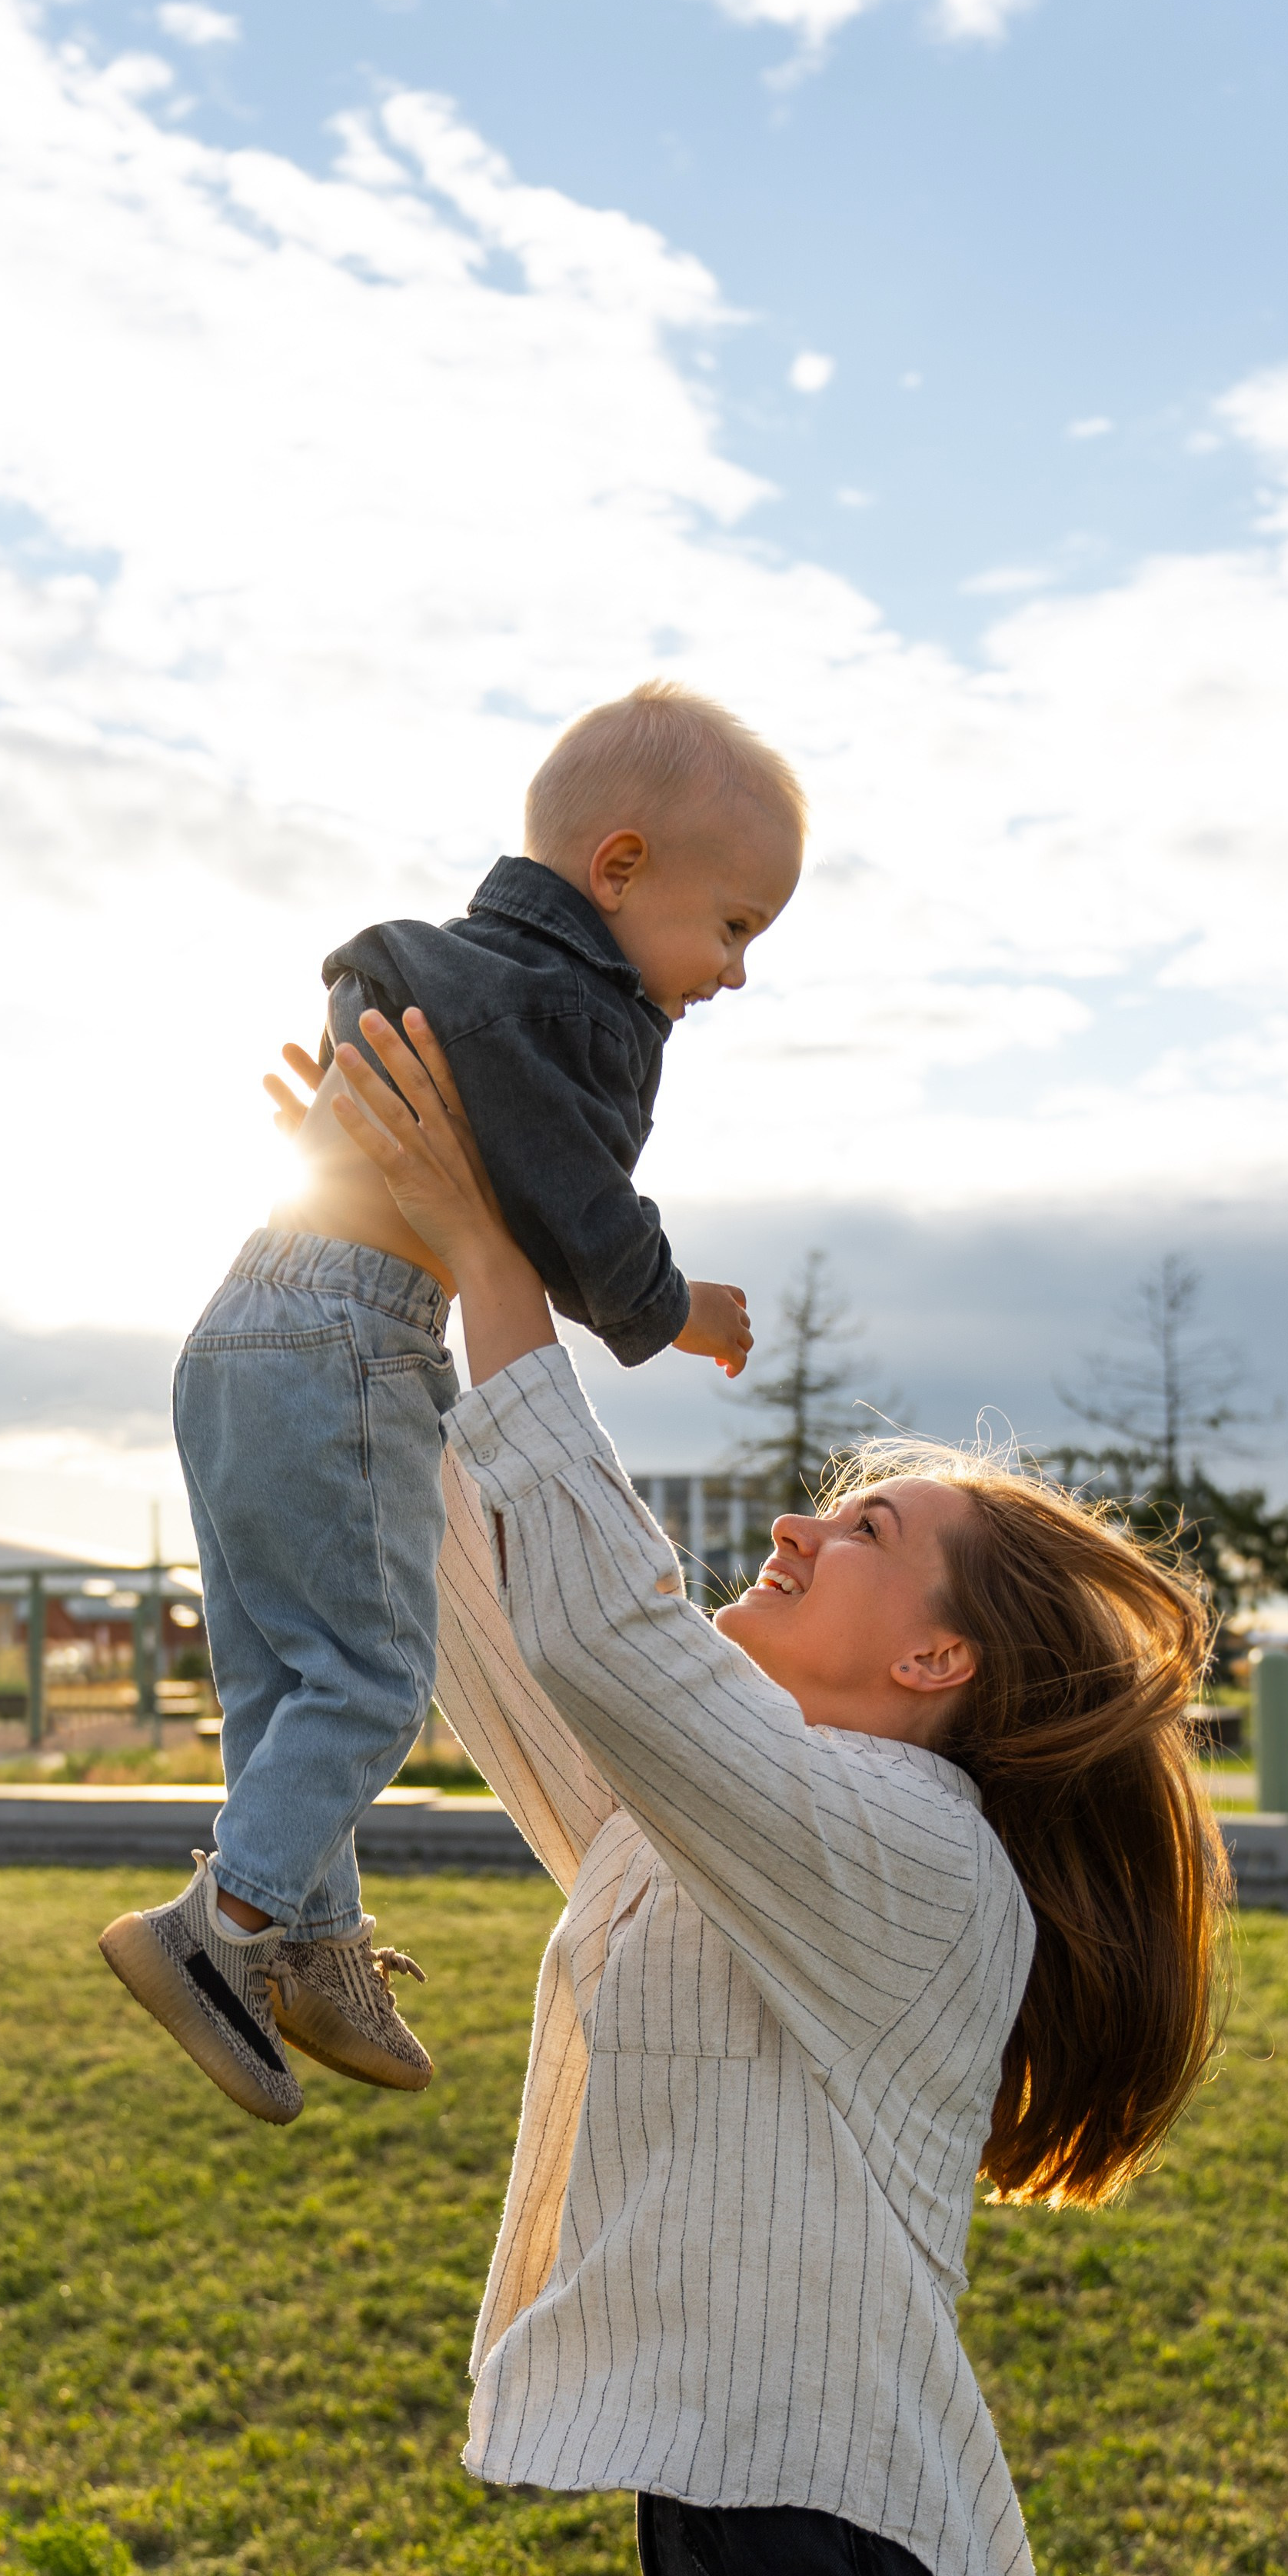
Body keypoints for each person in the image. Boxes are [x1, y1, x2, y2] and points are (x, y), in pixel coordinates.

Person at [315, 1006, 1229, 2576]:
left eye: (867, 1530)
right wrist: (369, 1261)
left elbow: (611, 1625)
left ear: (939, 1665)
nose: (800, 1526)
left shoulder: (914, 1854)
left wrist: (492, 1248)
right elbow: (509, 1625)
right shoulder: (736, 1828)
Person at [100, 682, 806, 2126]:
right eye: (733, 927)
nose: (733, 973)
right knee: (366, 1679)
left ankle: (313, 1943)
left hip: (239, 1322)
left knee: (281, 1678)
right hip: (355, 1340)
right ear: (617, 872)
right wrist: (677, 1309)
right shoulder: (584, 1016)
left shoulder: (420, 964)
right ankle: (220, 1930)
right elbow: (574, 1205)